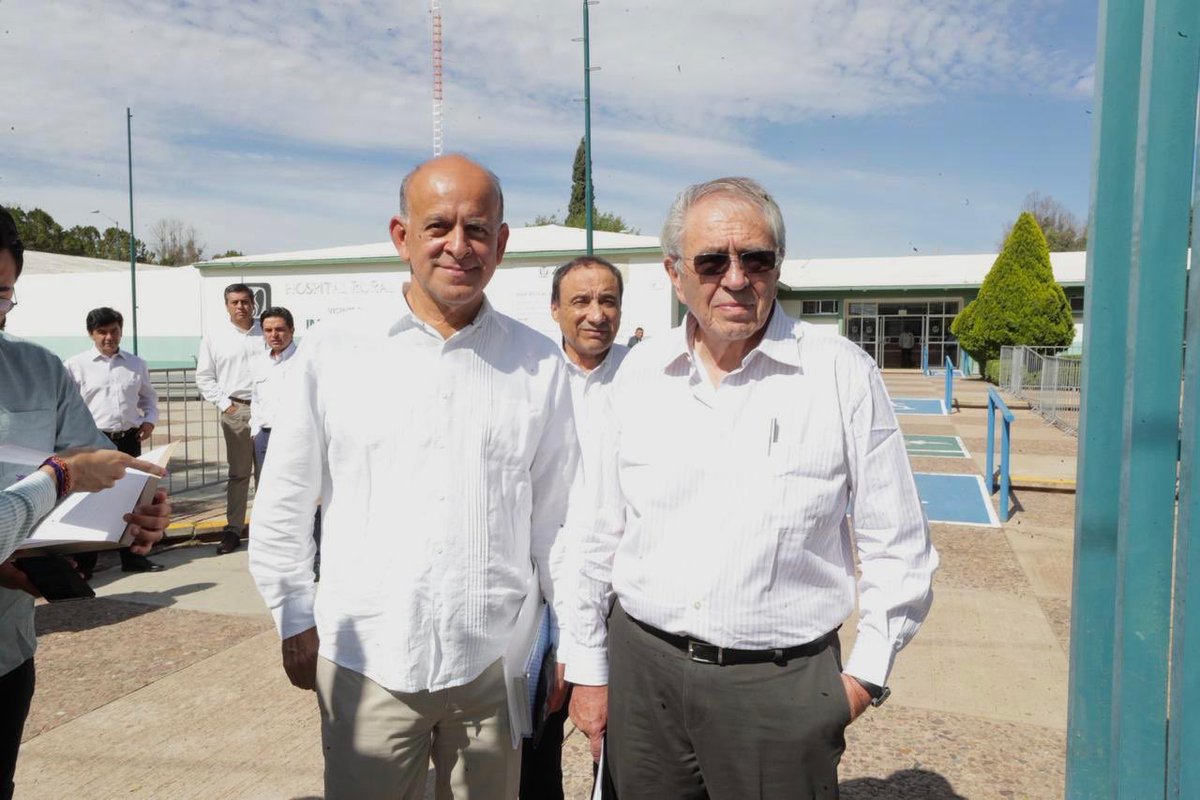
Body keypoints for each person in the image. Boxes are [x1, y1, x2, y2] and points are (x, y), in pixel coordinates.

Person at [566, 178, 938, 799]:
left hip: (779, 689)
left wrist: (862, 680)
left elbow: (898, 543)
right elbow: (595, 528)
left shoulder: (842, 374)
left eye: (756, 259)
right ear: (675, 273)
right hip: (644, 679)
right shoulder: (638, 375)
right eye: (712, 261)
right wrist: (589, 669)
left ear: (777, 267)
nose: (735, 279)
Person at [249, 154, 579, 800]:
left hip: (491, 665)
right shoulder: (334, 351)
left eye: (479, 229)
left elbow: (557, 519)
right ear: (402, 236)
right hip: (369, 660)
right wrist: (292, 612)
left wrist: (569, 635)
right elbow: (286, 500)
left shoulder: (539, 364)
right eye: (439, 227)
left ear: (502, 242)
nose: (460, 245)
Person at [0, 205, 171, 800]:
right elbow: (68, 471)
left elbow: (99, 466)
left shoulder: (37, 371)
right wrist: (60, 475)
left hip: (7, 648)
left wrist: (139, 508)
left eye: (1, 296)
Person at [522, 256, 628, 800]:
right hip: (535, 603)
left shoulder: (645, 378)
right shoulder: (528, 378)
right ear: (556, 309)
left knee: (611, 758)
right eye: (582, 301)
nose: (596, 314)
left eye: (608, 300)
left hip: (620, 607)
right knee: (532, 759)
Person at [65, 306, 164, 576]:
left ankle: (132, 558)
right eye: (102, 332)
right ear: (91, 334)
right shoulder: (76, 365)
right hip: (94, 442)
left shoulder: (135, 364)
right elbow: (66, 406)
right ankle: (84, 564)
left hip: (128, 441)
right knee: (90, 501)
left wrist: (149, 420)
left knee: (131, 498)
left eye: (114, 331)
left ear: (121, 331)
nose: (109, 337)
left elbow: (149, 399)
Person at [249, 306, 320, 579]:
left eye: (280, 329)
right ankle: (283, 558)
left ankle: (315, 558)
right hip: (266, 438)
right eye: (268, 330)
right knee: (274, 498)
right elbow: (256, 398)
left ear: (292, 330)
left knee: (308, 498)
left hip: (299, 437)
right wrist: (255, 430)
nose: (274, 335)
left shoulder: (305, 360)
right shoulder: (259, 362)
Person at [195, 283, 264, 555]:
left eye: (245, 301)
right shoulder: (214, 336)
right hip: (236, 411)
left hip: (268, 411)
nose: (240, 307)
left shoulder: (266, 331)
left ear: (253, 303)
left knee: (268, 474)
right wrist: (226, 406)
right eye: (234, 302)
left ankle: (263, 530)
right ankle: (234, 529)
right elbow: (204, 376)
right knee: (239, 474)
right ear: (226, 306)